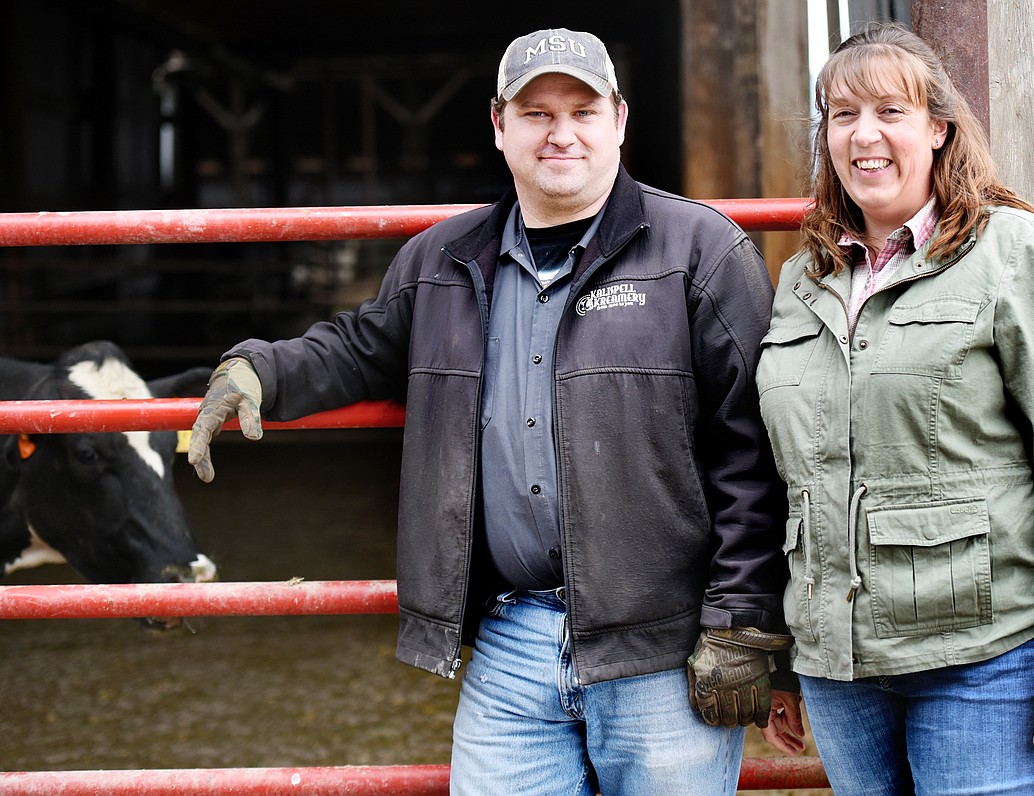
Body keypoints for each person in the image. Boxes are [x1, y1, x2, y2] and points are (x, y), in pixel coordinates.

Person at [187, 27, 794, 796]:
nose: (561, 133)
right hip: (511, 645)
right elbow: (358, 347)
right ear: (500, 126)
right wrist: (258, 371)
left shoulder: (699, 252)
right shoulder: (443, 259)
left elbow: (754, 447)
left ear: (620, 120)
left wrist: (740, 623)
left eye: (582, 110)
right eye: (536, 113)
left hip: (662, 650)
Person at [755, 22, 1034, 795]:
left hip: (984, 660)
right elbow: (783, 478)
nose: (865, 135)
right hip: (841, 670)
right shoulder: (803, 280)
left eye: (890, 112)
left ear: (938, 129)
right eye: (842, 114)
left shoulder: (1013, 253)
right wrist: (782, 658)